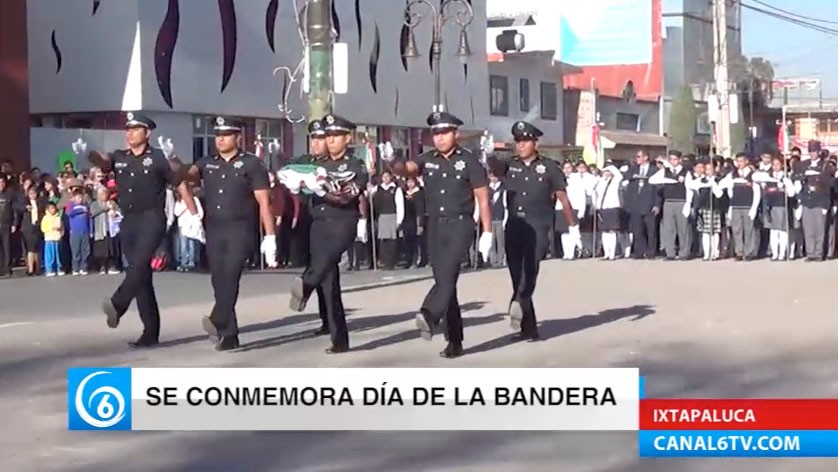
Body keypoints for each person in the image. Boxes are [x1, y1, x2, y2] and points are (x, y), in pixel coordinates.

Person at [89, 112, 202, 348]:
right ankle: (150, 333)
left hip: (152, 217)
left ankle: (118, 304)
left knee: (140, 265)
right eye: (127, 129)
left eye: (135, 129)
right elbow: (102, 163)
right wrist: (92, 154)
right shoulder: (120, 157)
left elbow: (180, 180)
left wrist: (192, 208)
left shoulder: (158, 158)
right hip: (129, 219)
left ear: (147, 133)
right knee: (141, 277)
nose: (129, 133)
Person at [393, 112, 492, 358]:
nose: (439, 138)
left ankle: (428, 313)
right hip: (435, 225)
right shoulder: (427, 159)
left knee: (447, 276)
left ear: (455, 134)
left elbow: (483, 198)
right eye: (436, 134)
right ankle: (454, 340)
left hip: (460, 224)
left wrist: (487, 231)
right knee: (447, 284)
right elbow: (406, 170)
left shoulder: (469, 161)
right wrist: (392, 158)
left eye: (444, 133)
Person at [184, 117, 277, 351]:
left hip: (241, 227)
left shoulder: (251, 164)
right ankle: (230, 334)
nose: (221, 139)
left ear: (238, 137)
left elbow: (264, 201)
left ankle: (219, 317)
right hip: (214, 227)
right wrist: (173, 161)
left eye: (226, 135)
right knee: (218, 279)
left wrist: (270, 235)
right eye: (217, 135)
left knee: (232, 273)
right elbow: (184, 180)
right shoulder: (207, 163)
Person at [288, 114, 368, 354]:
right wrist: (296, 184)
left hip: (342, 222)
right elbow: (290, 173)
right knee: (329, 283)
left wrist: (320, 191)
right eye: (328, 136)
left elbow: (347, 196)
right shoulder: (316, 165)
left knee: (323, 263)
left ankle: (305, 284)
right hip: (319, 223)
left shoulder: (355, 165)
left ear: (347, 138)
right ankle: (339, 339)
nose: (330, 141)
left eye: (335, 136)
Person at [502, 121, 577, 341]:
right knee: (517, 276)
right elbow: (490, 170)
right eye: (518, 141)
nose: (521, 145)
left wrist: (572, 225)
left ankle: (518, 304)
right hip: (514, 226)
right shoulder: (509, 165)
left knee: (529, 272)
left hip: (538, 227)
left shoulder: (550, 167)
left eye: (525, 140)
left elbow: (563, 198)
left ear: (535, 142)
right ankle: (529, 328)